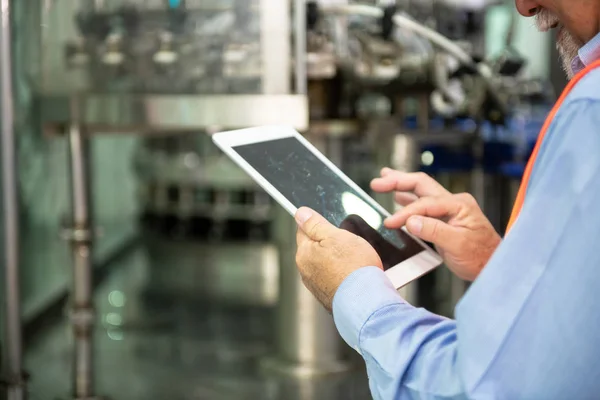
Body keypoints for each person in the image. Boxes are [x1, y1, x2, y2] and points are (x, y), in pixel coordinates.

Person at [294, 1, 600, 398]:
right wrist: (500, 262)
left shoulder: (591, 110)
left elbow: (485, 389)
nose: (525, 7)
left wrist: (354, 293)